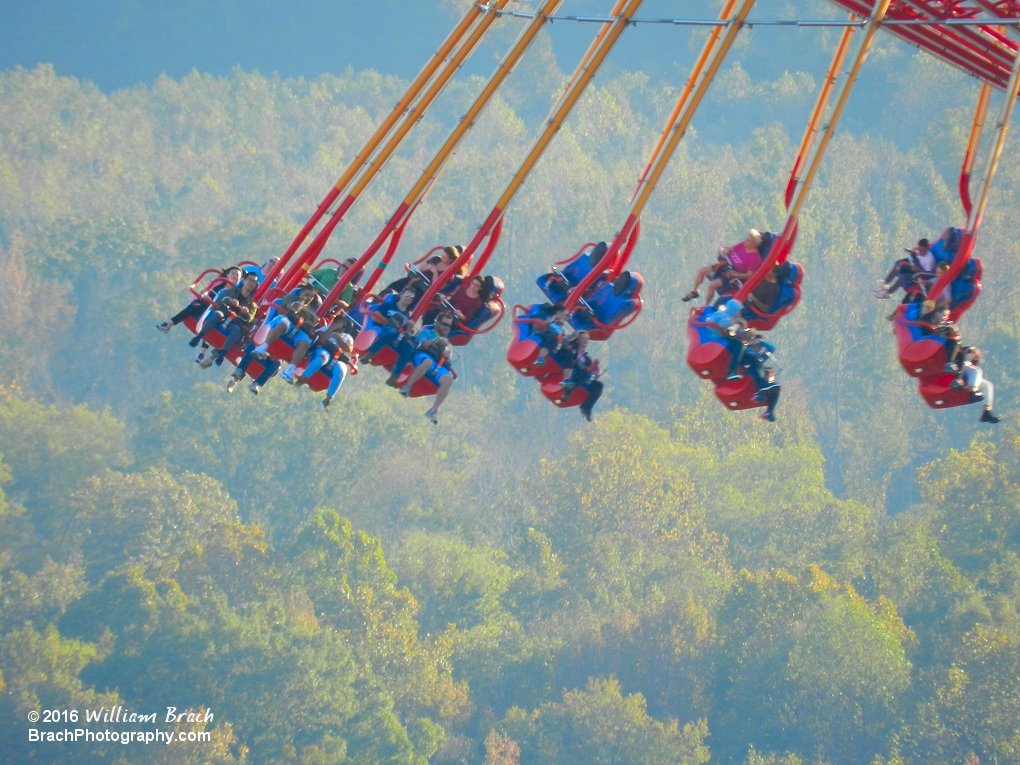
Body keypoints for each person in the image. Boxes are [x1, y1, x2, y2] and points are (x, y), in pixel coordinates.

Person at [191, 271, 260, 365]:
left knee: (235, 330)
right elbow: (220, 301)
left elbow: (250, 319)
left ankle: (222, 354)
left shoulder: (252, 305)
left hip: (234, 322)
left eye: (254, 282)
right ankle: (198, 337)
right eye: (250, 280)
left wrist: (246, 313)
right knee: (217, 315)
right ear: (244, 281)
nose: (251, 283)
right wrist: (230, 302)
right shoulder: (232, 291)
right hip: (224, 314)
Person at [683, 229, 767, 305]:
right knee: (702, 271)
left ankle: (705, 305)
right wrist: (726, 251)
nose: (745, 241)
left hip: (732, 275)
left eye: (748, 240)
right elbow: (732, 249)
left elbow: (749, 275)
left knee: (711, 285)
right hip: (724, 265)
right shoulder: (742, 245)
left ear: (754, 243)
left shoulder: (755, 258)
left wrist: (735, 275)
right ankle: (694, 292)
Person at [157, 266, 242, 334]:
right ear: (227, 275)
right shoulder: (218, 282)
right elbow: (205, 292)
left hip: (216, 311)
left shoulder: (236, 293)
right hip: (205, 304)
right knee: (194, 307)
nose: (234, 276)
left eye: (237, 275)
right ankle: (169, 324)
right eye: (233, 273)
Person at [295, 331, 356, 410]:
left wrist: (337, 338)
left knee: (340, 372)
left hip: (338, 360)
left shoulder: (342, 338)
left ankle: (328, 398)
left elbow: (348, 349)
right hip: (325, 351)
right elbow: (322, 337)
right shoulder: (331, 331)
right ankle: (303, 378)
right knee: (323, 358)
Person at [360, 285, 421, 363]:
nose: (409, 298)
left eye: (412, 297)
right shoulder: (390, 305)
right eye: (407, 295)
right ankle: (370, 354)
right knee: (391, 331)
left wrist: (409, 327)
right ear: (401, 295)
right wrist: (388, 322)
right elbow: (375, 317)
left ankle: (396, 374)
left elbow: (406, 333)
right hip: (383, 328)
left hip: (396, 336)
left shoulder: (406, 316)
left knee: (408, 347)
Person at [555, 331, 604, 421]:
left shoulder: (587, 358)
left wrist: (595, 366)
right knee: (584, 372)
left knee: (599, 385)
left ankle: (586, 408)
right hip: (573, 370)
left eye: (587, 339)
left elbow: (595, 374)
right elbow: (563, 344)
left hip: (582, 376)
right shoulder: (572, 349)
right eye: (583, 338)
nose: (585, 341)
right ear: (578, 340)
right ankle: (567, 390)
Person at [948, 346, 1001, 423]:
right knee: (977, 371)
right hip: (956, 367)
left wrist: (975, 360)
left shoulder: (955, 341)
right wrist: (971, 349)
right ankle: (972, 393)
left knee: (988, 386)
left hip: (964, 370)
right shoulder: (950, 341)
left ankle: (986, 413)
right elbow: (959, 352)